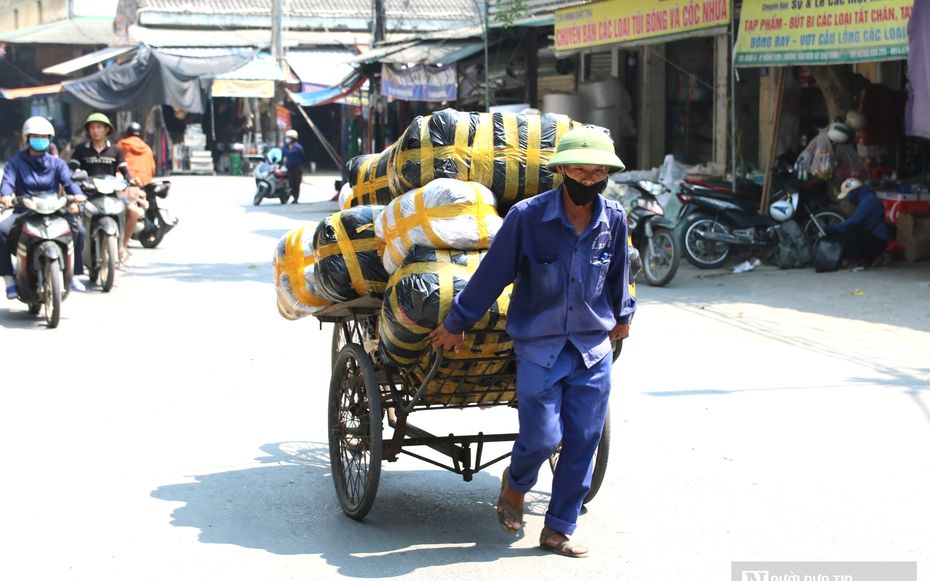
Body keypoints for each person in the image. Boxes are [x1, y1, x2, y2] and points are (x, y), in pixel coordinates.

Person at [429, 127, 636, 558]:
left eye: (598, 173)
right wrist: (457, 321)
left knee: (583, 439)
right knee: (542, 438)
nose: (589, 180)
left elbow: (619, 272)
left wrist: (624, 315)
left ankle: (558, 528)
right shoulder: (528, 217)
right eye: (580, 171)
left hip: (591, 348)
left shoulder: (614, 219)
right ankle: (516, 485)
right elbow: (492, 274)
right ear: (562, 171)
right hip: (540, 347)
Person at [0, 116, 87, 298]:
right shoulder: (15, 162)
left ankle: (74, 274)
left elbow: (69, 182)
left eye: (44, 136)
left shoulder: (57, 163)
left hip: (54, 210)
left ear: (50, 139)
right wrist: (6, 195)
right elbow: (8, 182)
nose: (40, 139)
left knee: (79, 231)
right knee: (1, 230)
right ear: (27, 138)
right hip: (25, 211)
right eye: (36, 136)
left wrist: (78, 195)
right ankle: (8, 278)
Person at [71, 113, 145, 267]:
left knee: (133, 211)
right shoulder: (81, 149)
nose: (95, 130)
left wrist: (132, 181)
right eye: (92, 127)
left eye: (99, 127)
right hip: (87, 196)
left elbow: (125, 172)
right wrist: (75, 174)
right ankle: (72, 253)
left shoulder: (116, 150)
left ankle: (123, 247)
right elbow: (73, 168)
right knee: (71, 212)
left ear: (107, 129)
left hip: (111, 195)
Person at [823, 178, 890, 269]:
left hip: (879, 241)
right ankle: (866, 258)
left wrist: (835, 227)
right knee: (847, 235)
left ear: (854, 192)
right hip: (873, 238)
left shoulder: (869, 200)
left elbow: (854, 221)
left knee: (851, 230)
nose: (850, 201)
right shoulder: (864, 199)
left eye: (849, 198)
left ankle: (854, 261)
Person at [281, 129, 305, 204]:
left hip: (297, 167)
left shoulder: (298, 147)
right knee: (291, 183)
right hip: (289, 167)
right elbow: (283, 156)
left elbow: (302, 157)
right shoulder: (285, 147)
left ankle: (296, 198)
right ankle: (289, 196)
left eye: (289, 138)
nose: (287, 139)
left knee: (296, 183)